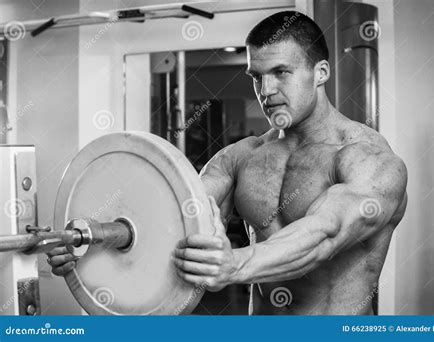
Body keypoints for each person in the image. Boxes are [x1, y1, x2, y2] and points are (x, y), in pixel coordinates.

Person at [48, 11, 407, 315]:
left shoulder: (368, 160)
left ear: (321, 73)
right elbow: (168, 225)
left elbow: (324, 235)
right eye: (256, 76)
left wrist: (235, 264)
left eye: (281, 72)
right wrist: (92, 244)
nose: (265, 91)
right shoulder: (240, 157)